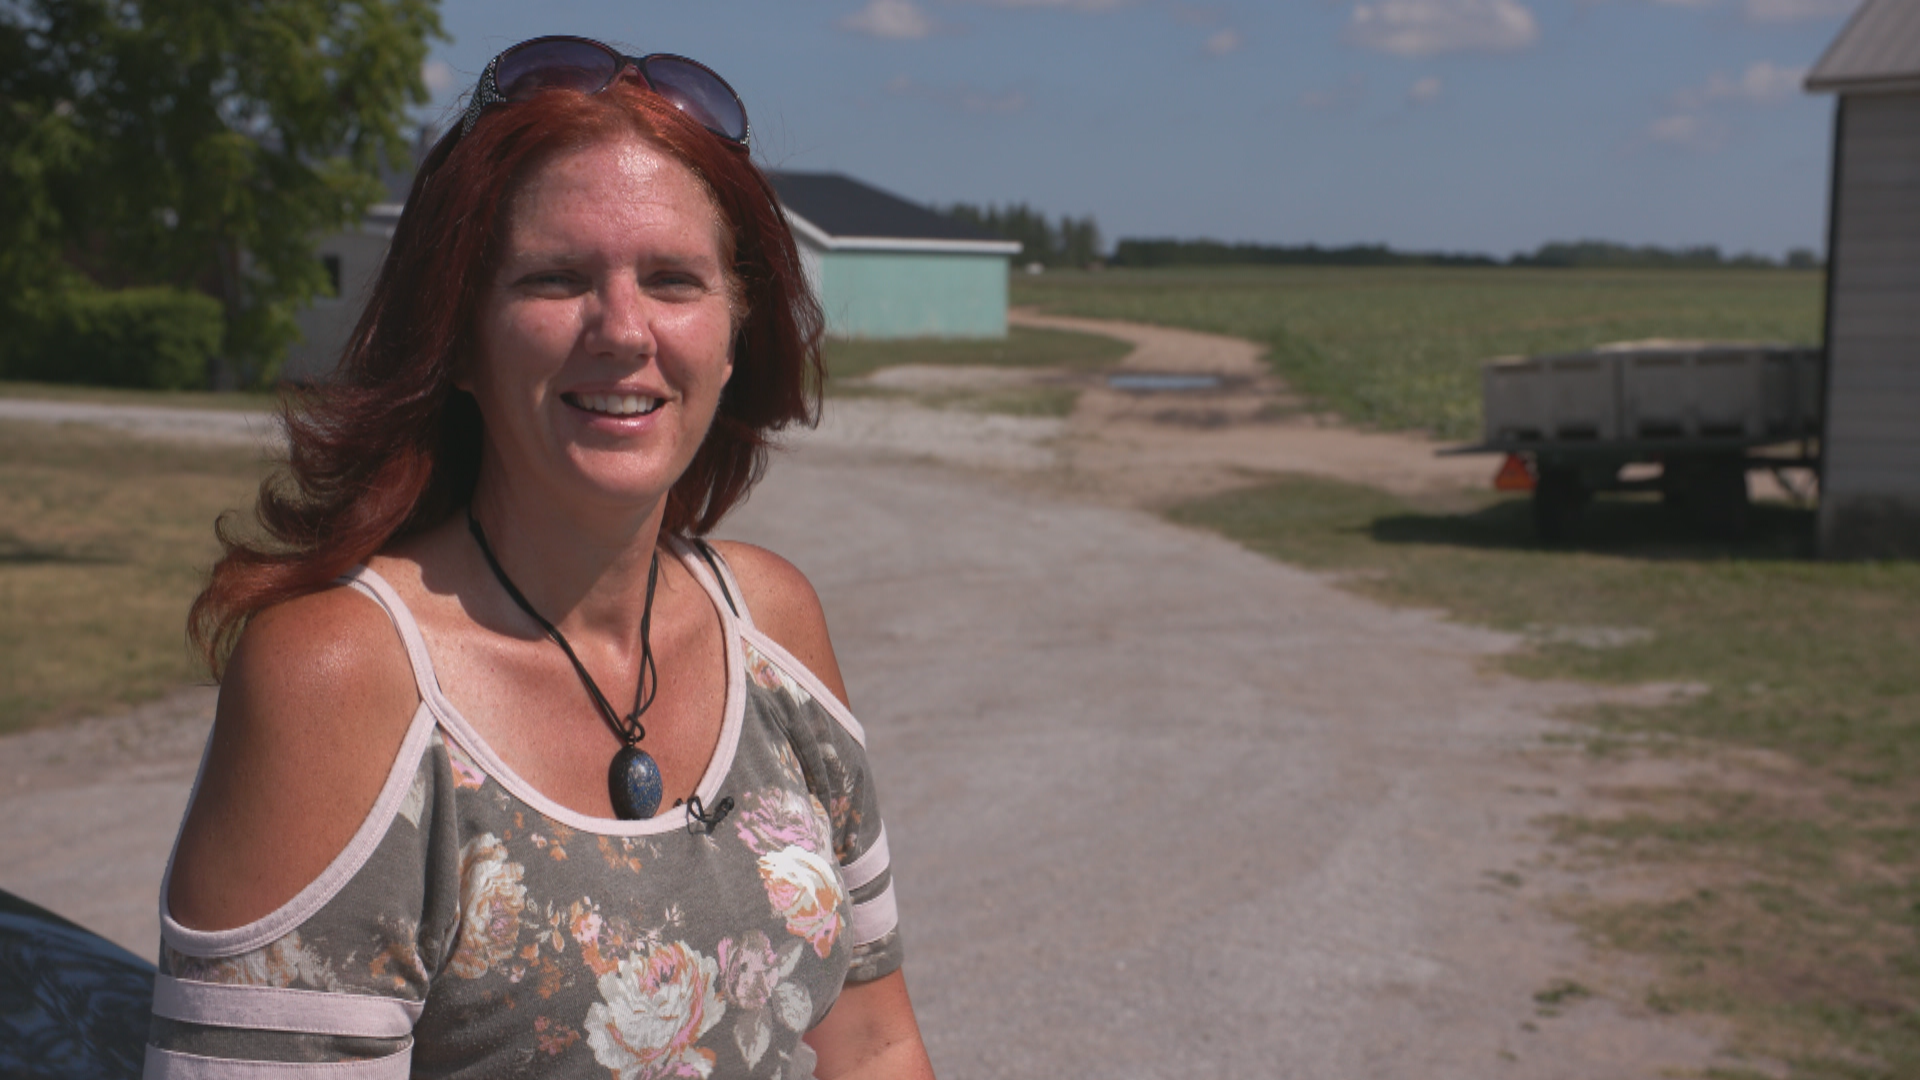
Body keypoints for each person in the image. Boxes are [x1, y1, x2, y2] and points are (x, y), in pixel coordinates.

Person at [145, 36, 935, 1080]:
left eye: (672, 279)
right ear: (462, 336)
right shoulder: (344, 677)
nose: (623, 329)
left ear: (736, 332)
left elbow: (873, 1040)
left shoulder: (772, 627)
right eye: (556, 278)